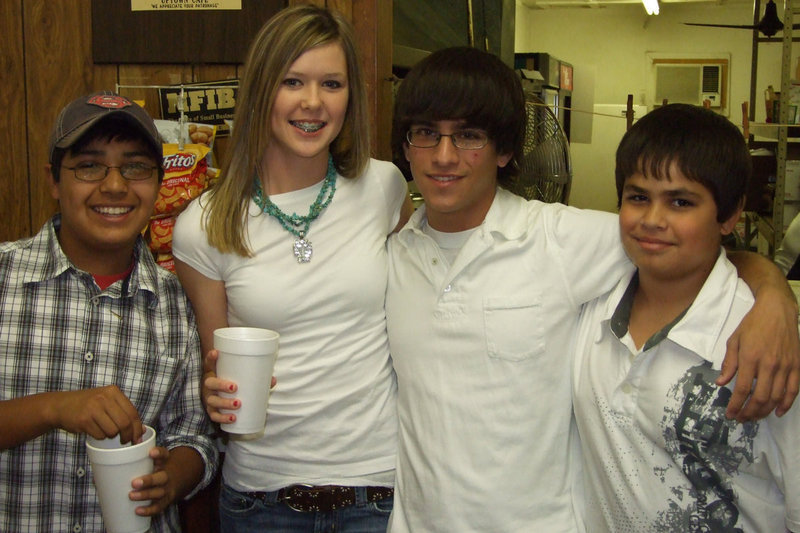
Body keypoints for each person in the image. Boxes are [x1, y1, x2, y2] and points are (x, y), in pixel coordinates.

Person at [386, 47, 800, 532]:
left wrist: (774, 297)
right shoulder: (392, 253)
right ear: (406, 146)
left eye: (469, 136)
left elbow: (691, 248)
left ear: (506, 150)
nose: (444, 155)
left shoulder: (562, 239)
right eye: (425, 133)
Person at [171, 4, 412, 532]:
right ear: (262, 90)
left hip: (378, 490)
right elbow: (217, 365)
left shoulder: (384, 188)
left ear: (350, 97)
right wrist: (214, 392)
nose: (313, 102)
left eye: (332, 84)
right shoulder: (203, 225)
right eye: (293, 81)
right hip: (261, 499)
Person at [571, 103, 799, 532]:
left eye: (680, 202)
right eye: (638, 197)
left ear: (730, 216)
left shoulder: (769, 347)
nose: (652, 220)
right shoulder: (590, 303)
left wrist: (774, 296)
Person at [0, 91, 218, 532]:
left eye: (135, 167)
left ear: (158, 183)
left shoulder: (178, 303)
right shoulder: (4, 278)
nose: (115, 186)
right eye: (89, 166)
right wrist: (53, 408)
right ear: (54, 181)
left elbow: (195, 436)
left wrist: (172, 479)